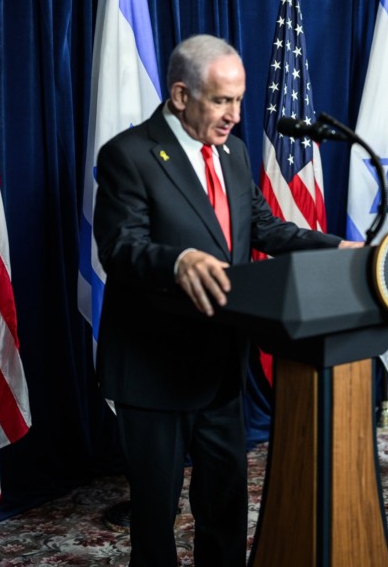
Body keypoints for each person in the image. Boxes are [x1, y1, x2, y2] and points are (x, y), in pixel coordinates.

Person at [93, 34, 360, 567]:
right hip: (153, 367)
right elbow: (120, 248)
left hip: (219, 363)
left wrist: (337, 247)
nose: (235, 114)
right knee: (156, 514)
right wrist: (177, 261)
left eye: (239, 99)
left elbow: (261, 226)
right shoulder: (129, 154)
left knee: (225, 503)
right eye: (221, 100)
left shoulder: (234, 153)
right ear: (179, 95)